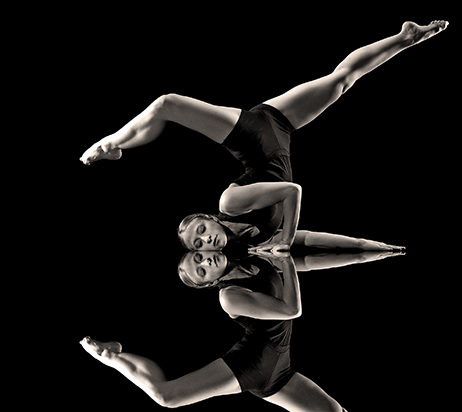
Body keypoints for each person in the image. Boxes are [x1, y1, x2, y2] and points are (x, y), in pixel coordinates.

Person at [80, 21, 448, 253]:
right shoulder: (256, 240)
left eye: (201, 229)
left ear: (211, 218)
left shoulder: (229, 203)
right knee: (341, 81)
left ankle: (111, 143)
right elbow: (315, 240)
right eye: (199, 243)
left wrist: (284, 242)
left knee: (167, 103)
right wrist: (379, 248)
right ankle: (405, 39)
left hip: (250, 137)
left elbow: (292, 192)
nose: (205, 238)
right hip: (280, 127)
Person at [80, 250, 447, 412]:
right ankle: (111, 356)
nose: (205, 262)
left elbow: (304, 256)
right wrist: (285, 259)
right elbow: (292, 309)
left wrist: (360, 254)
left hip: (279, 371)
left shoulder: (253, 260)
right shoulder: (229, 296)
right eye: (201, 270)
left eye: (200, 257)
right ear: (210, 284)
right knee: (167, 396)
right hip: (251, 362)